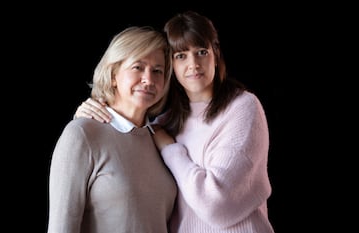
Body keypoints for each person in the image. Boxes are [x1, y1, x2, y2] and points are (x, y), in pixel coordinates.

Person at [75, 11, 275, 233]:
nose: (193, 64)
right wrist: (88, 117)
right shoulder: (164, 123)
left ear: (215, 55)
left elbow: (216, 205)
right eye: (181, 55)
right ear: (170, 65)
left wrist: (171, 149)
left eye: (201, 52)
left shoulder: (242, 108)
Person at [47, 26, 177, 233]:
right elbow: (61, 228)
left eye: (157, 71)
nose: (148, 79)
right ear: (113, 74)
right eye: (138, 67)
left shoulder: (161, 140)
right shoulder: (82, 134)